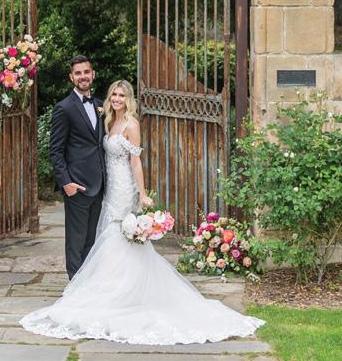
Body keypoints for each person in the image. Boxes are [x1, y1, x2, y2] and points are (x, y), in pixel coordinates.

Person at [22, 79, 264, 345]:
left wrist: (143, 193)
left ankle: (125, 294)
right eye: (114, 94)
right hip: (109, 188)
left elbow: (135, 162)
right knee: (108, 236)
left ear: (129, 100)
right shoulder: (108, 119)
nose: (117, 99)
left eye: (122, 95)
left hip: (124, 189)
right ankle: (110, 289)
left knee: (119, 236)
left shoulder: (131, 125)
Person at [48, 55, 106, 280]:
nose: (83, 76)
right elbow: (55, 150)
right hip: (77, 185)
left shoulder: (100, 105)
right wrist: (66, 183)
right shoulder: (63, 108)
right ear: (71, 77)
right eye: (78, 73)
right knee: (76, 240)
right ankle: (75, 287)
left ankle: (89, 284)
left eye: (86, 72)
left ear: (93, 74)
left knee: (92, 239)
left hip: (99, 185)